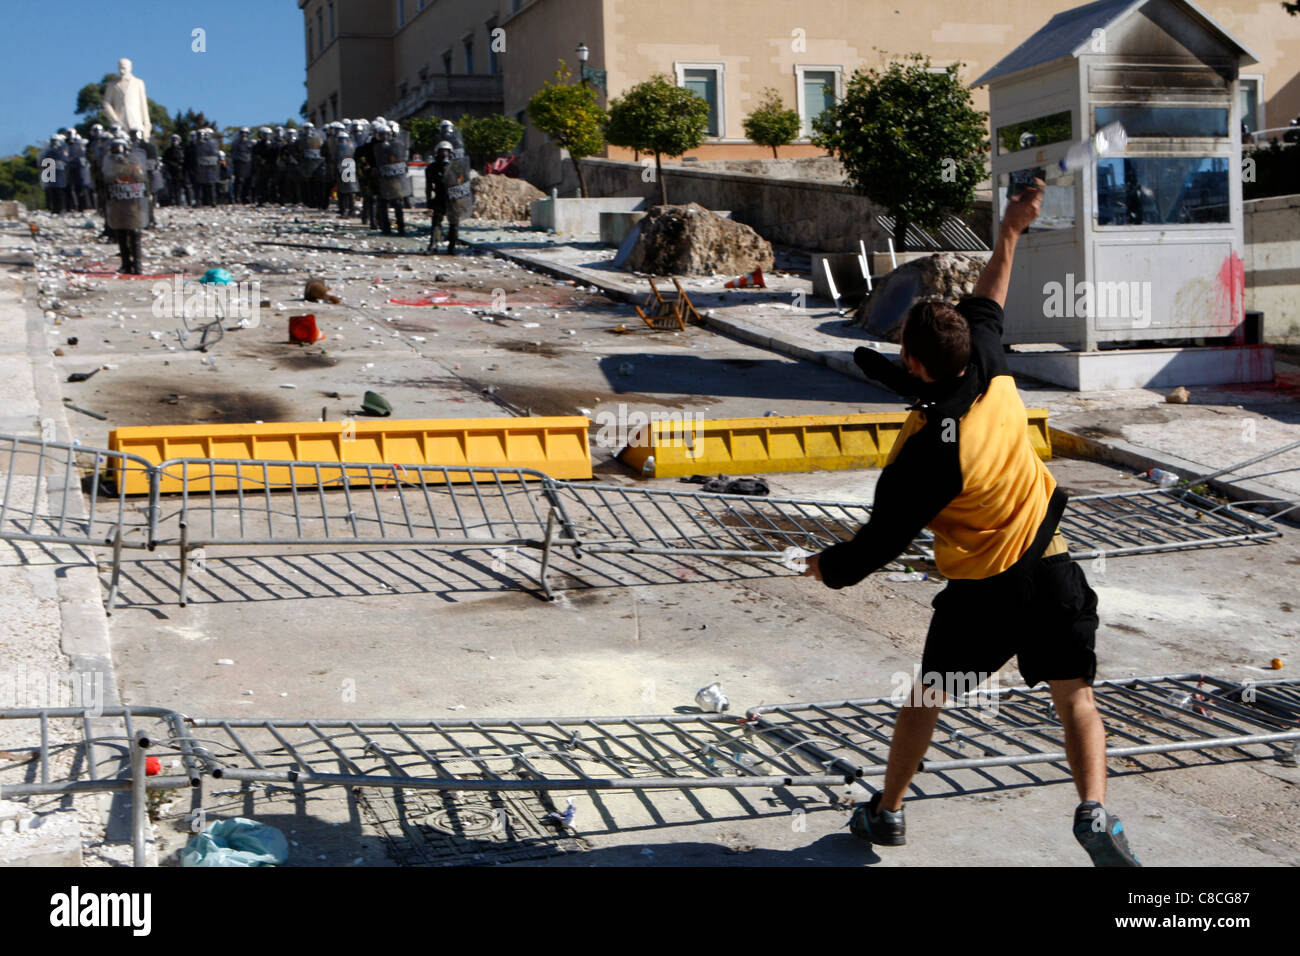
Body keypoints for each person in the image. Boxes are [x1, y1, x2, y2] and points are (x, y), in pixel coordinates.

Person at [803, 179, 1140, 868]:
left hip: (981, 596)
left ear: (916, 364)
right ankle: (1095, 812)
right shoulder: (990, 363)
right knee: (1075, 698)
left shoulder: (922, 458)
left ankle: (888, 813)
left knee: (926, 697)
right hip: (1053, 567)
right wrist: (1012, 226)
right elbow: (991, 292)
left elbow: (875, 549)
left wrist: (822, 565)